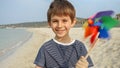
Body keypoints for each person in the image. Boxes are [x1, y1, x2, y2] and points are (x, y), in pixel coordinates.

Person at [34, 0, 94, 68]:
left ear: (73, 22)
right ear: (49, 23)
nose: (60, 25)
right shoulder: (45, 48)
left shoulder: (79, 47)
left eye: (64, 21)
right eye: (55, 21)